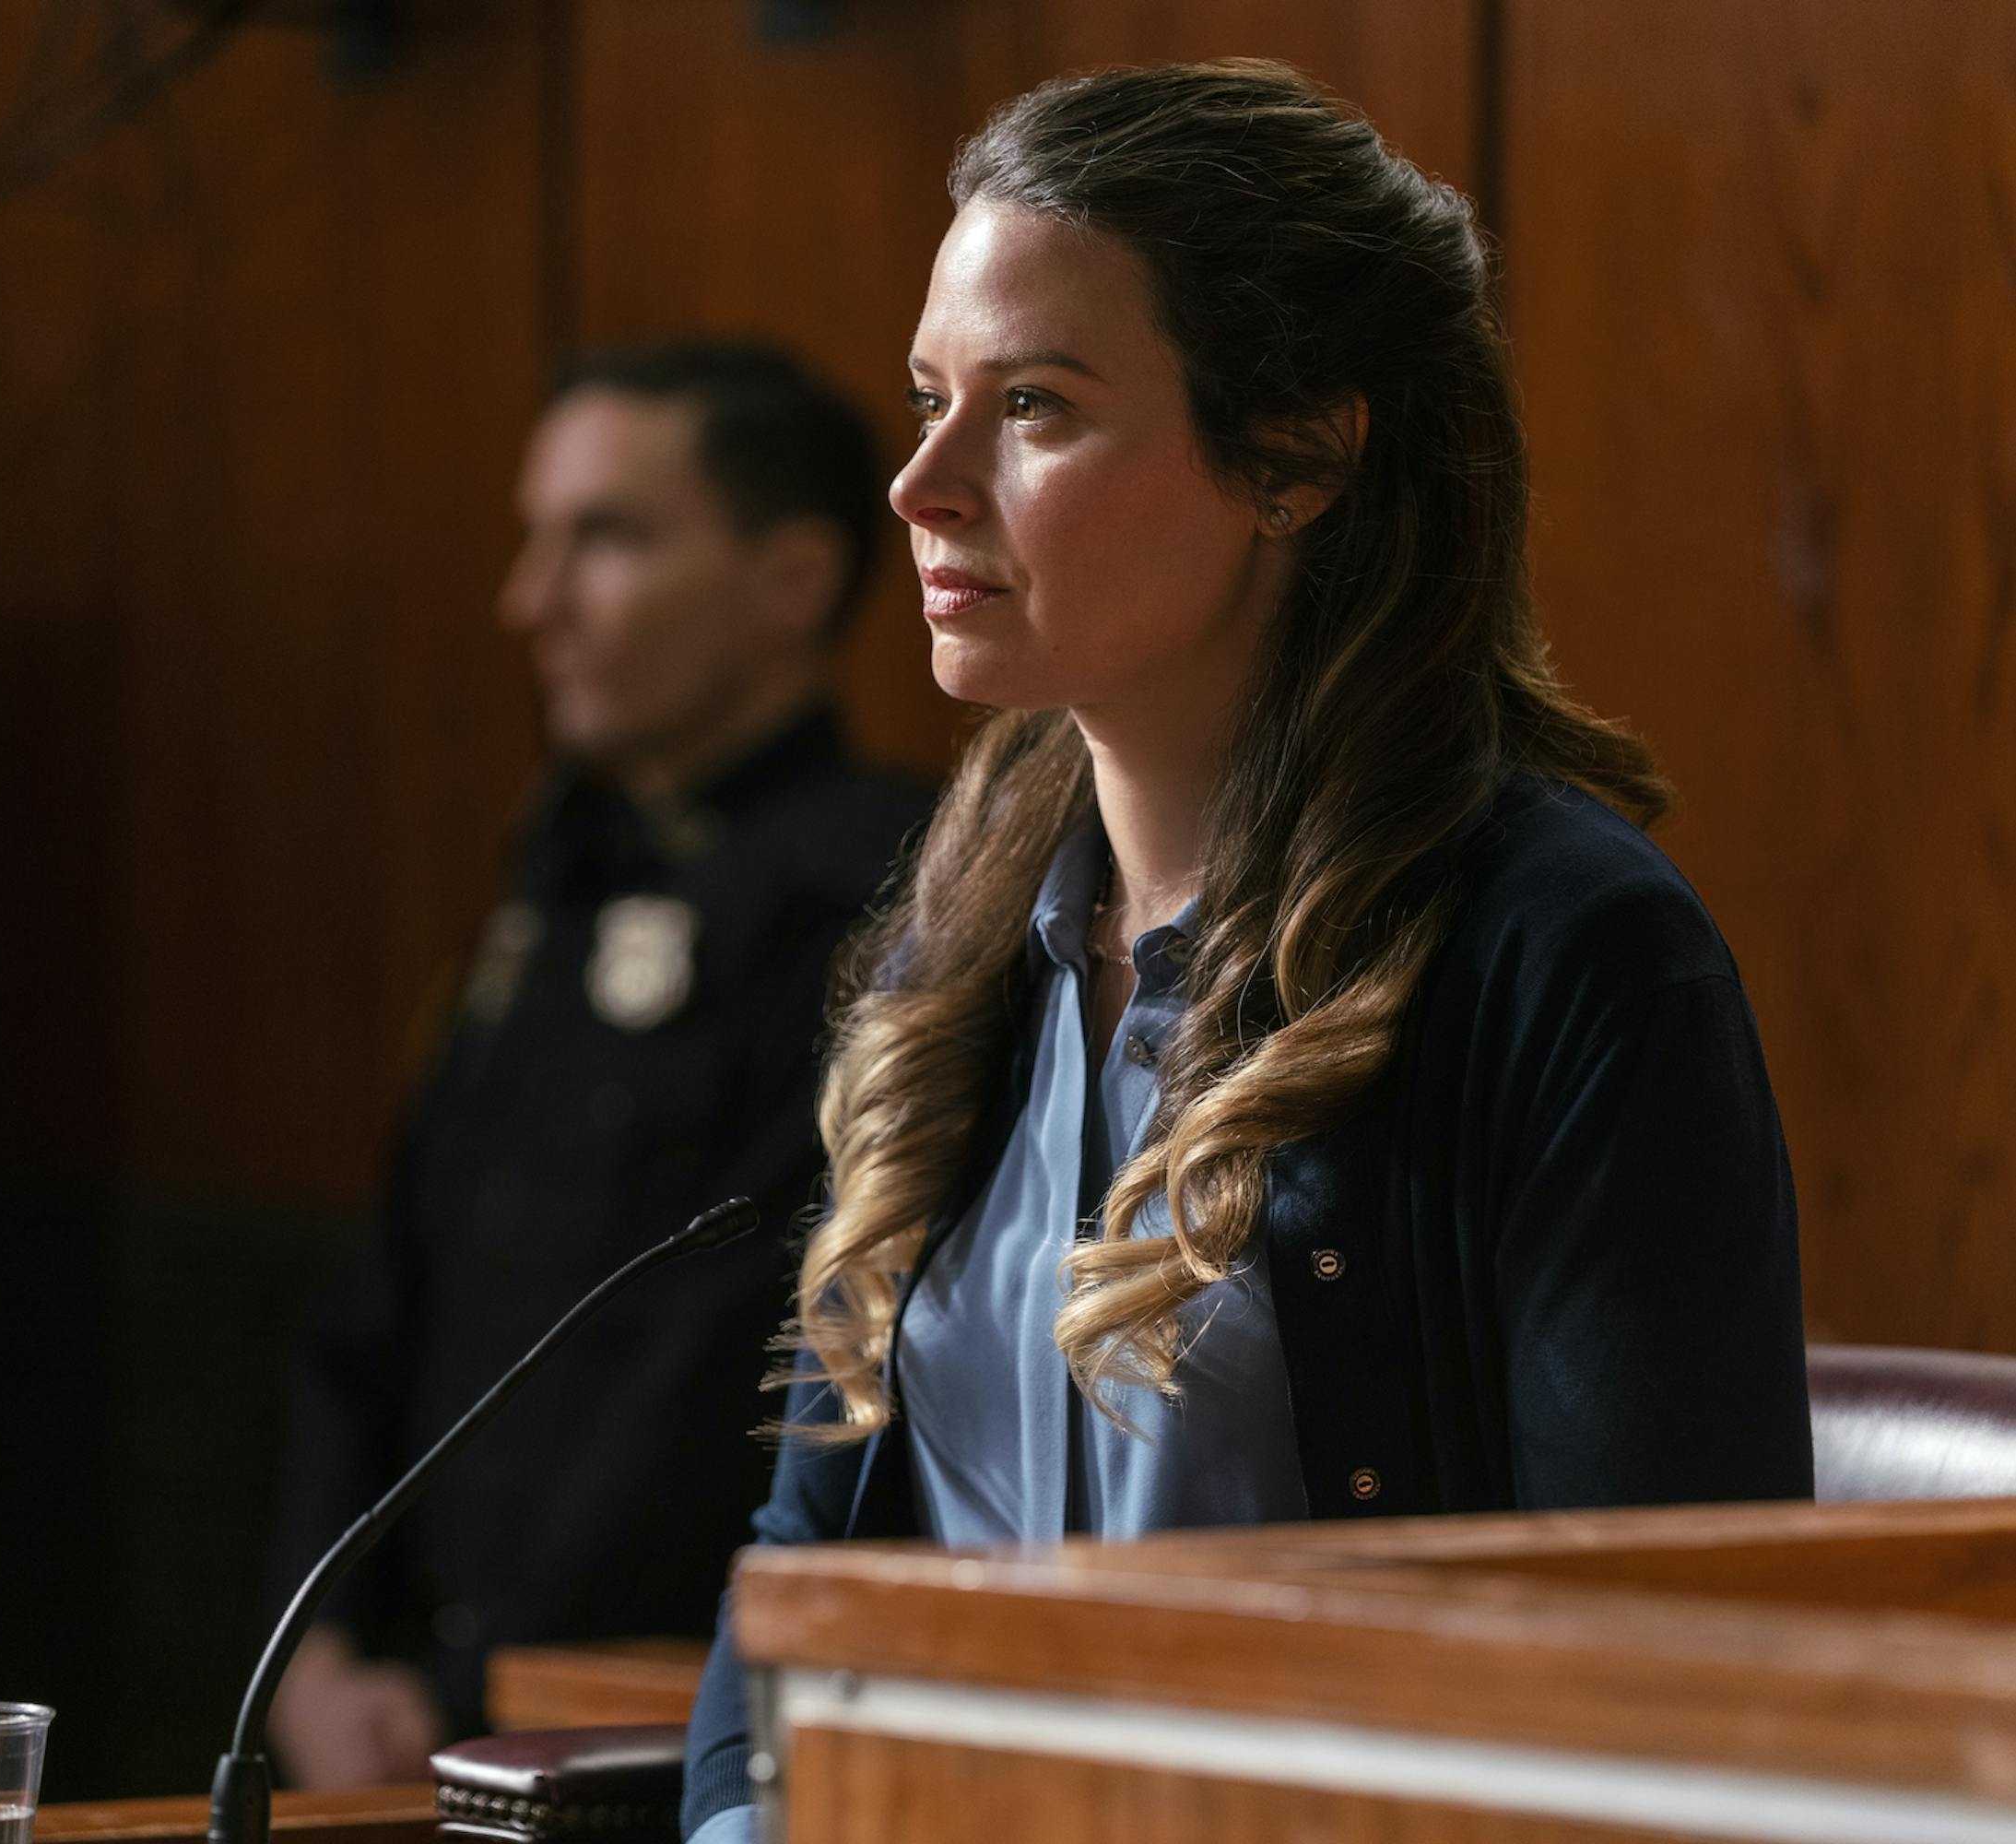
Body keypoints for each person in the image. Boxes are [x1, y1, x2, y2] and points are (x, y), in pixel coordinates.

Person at [680, 63, 1812, 1843]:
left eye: (1032, 407)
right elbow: (800, 1583)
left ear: (1295, 454)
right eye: (927, 399)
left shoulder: (1569, 959)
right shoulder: (958, 931)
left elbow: (1662, 1680)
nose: (922, 483)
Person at [266, 341, 932, 1789]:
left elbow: (729, 1363)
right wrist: (314, 1646)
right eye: (536, 538)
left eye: (607, 540)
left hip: (655, 1723)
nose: (532, 602)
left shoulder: (888, 900)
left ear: (792, 582)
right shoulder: (556, 883)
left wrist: (486, 1680)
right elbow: (390, 1301)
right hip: (405, 1715)